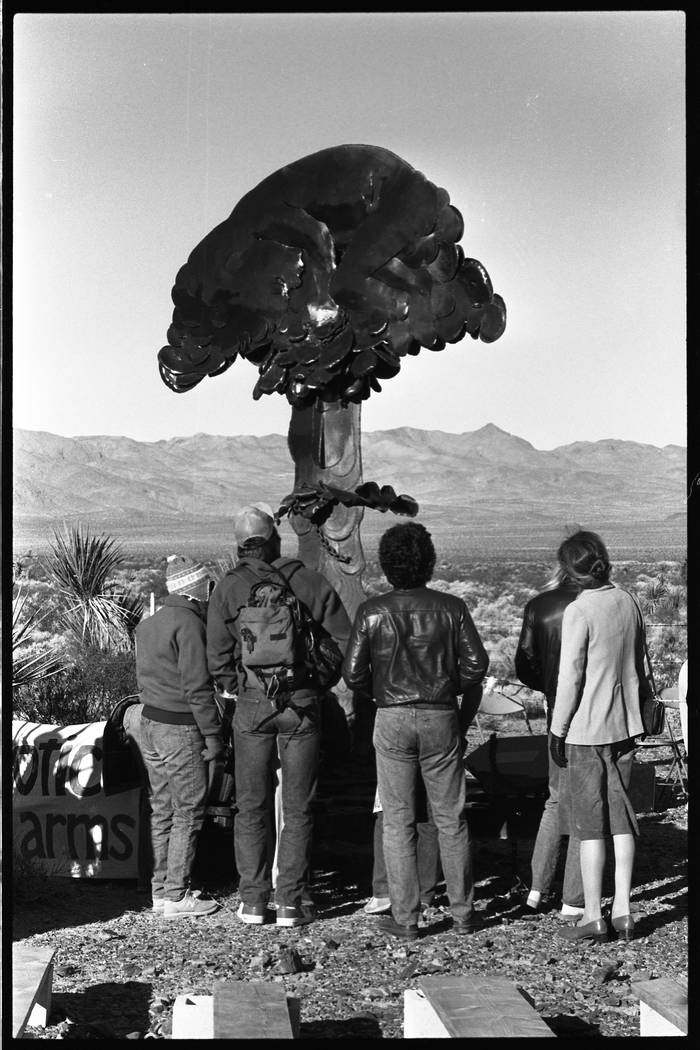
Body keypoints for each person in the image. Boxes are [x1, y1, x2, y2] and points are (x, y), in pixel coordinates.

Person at [207, 502, 351, 928]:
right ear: (274, 539)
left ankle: (253, 901)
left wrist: (241, 687)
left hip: (252, 707)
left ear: (238, 547)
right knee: (299, 806)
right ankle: (290, 902)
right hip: (301, 705)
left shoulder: (228, 589)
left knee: (250, 805)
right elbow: (342, 639)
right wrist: (314, 684)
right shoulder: (306, 580)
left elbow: (217, 657)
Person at [342, 521, 489, 940]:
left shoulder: (373, 612)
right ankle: (462, 912)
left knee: (398, 820)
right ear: (428, 561)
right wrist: (445, 685)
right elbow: (477, 666)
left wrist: (385, 690)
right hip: (441, 717)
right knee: (451, 818)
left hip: (391, 718)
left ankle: (406, 918)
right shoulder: (451, 608)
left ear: (388, 565)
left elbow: (353, 674)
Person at [549, 531, 648, 943]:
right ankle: (623, 910)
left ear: (569, 569)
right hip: (625, 726)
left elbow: (569, 677)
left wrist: (558, 728)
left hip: (587, 730)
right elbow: (641, 662)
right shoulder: (628, 600)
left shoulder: (579, 610)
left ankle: (593, 915)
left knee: (591, 825)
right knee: (622, 818)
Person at [134, 554, 224, 919]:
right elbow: (198, 689)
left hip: (149, 722)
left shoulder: (149, 624)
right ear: (195, 590)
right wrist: (214, 735)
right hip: (180, 726)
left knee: (163, 808)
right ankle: (177, 894)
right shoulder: (189, 625)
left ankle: (161, 891)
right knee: (189, 808)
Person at [514, 564, 585, 920]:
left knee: (556, 799)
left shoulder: (540, 606)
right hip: (596, 712)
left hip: (557, 706)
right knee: (588, 802)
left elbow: (525, 662)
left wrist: (550, 689)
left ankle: (537, 888)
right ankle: (574, 898)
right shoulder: (603, 602)